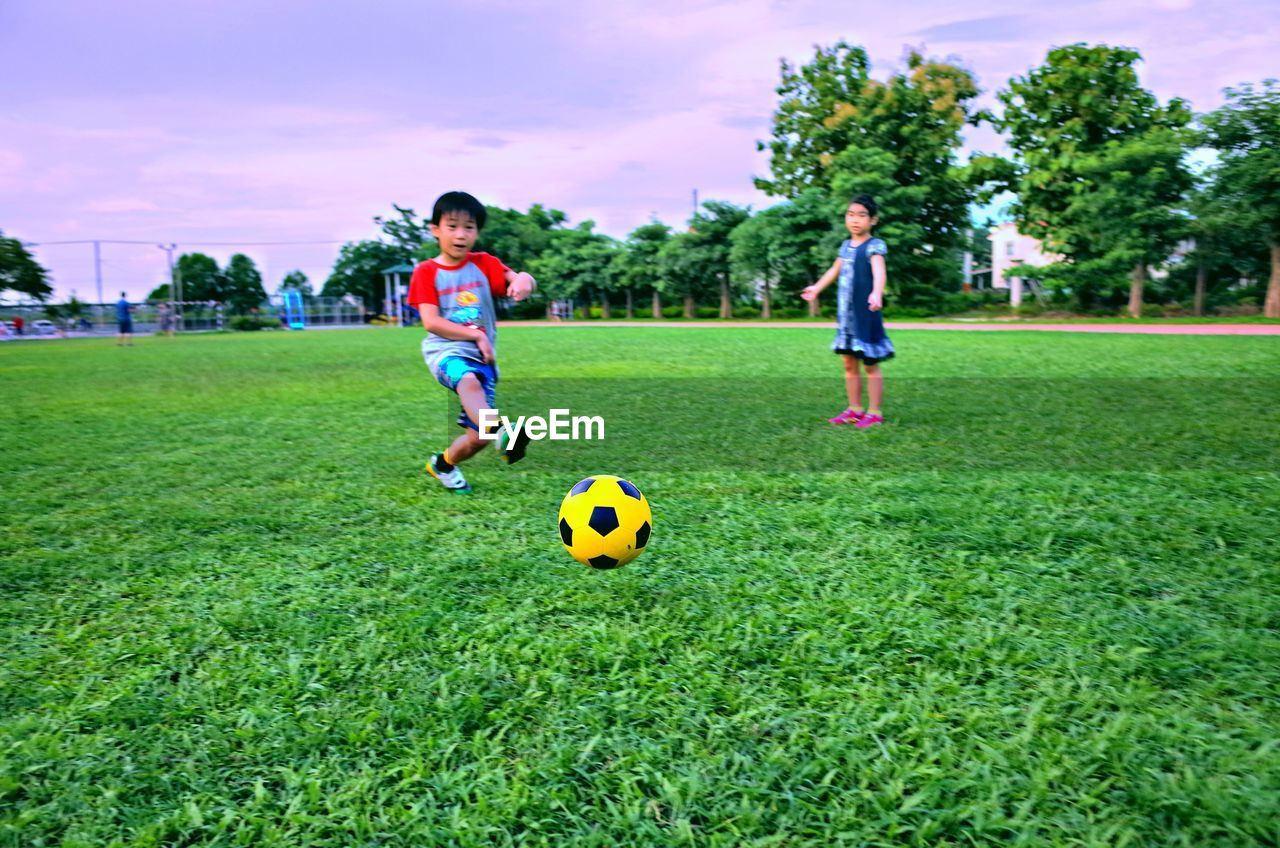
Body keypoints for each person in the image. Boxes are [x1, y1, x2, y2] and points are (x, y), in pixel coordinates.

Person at [410, 191, 537, 494]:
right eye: (452, 226)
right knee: (468, 381)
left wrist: (523, 279)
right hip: (447, 352)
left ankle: (442, 465)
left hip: (483, 359)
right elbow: (431, 322)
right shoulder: (426, 272)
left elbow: (517, 278)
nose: (460, 234)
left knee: (477, 437)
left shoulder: (483, 264)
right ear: (435, 230)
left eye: (469, 227)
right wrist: (475, 335)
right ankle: (503, 431)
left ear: (477, 232)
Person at [802, 194, 895, 428]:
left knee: (870, 364)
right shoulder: (845, 246)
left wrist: (877, 292)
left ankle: (874, 413)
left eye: (861, 215)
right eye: (851, 215)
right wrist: (816, 288)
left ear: (873, 220)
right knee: (848, 363)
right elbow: (835, 270)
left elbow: (879, 271)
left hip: (866, 312)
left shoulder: (875, 246)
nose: (855, 220)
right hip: (846, 316)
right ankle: (854, 410)